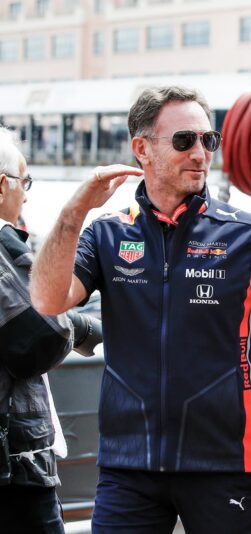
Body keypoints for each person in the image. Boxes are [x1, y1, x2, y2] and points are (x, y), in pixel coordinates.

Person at [29, 86, 251, 533]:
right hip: (128, 467)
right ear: (142, 149)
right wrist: (75, 210)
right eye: (184, 140)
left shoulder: (247, 235)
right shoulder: (106, 234)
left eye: (209, 140)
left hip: (226, 465)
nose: (200, 153)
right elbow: (48, 300)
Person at [0, 127, 101, 533]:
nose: (26, 196)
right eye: (24, 182)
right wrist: (85, 327)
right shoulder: (4, 247)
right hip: (15, 466)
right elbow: (42, 332)